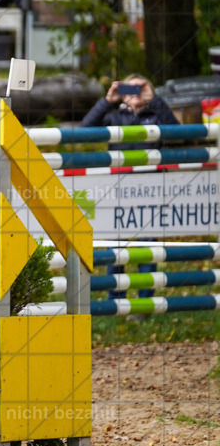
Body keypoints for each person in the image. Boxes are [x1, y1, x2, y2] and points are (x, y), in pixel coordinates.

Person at [81, 74, 179, 300]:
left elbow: (176, 131)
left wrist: (153, 99)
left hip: (149, 192)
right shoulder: (113, 117)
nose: (135, 93)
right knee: (115, 249)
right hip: (117, 192)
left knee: (147, 248)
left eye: (140, 89)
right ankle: (115, 300)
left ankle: (145, 300)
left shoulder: (156, 116)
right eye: (130, 89)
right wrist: (107, 100)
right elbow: (85, 129)